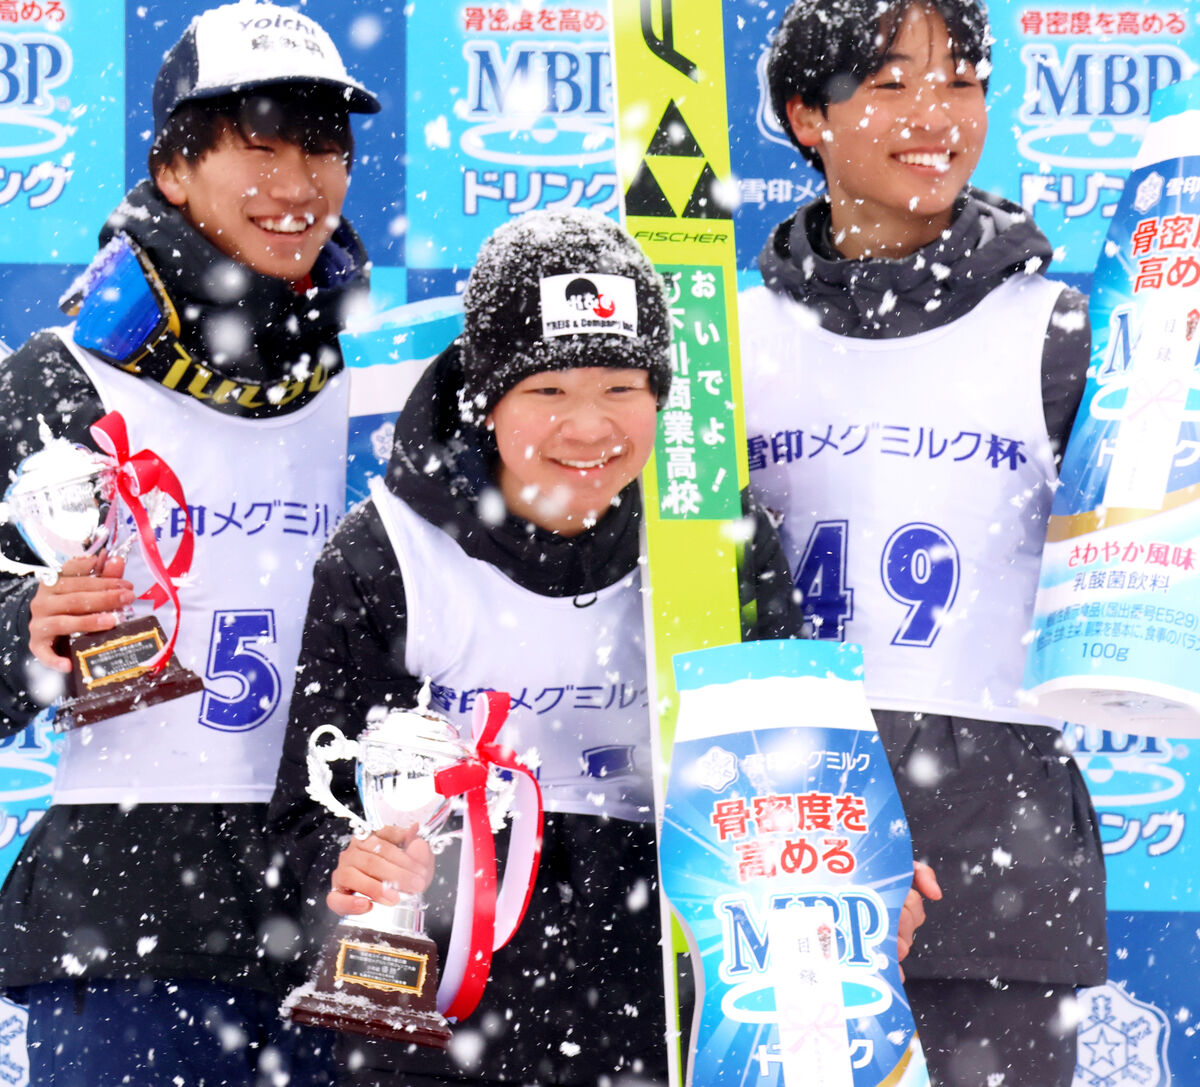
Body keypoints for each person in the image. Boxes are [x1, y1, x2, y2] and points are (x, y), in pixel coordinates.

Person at [267, 208, 803, 1086]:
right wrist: (350, 863)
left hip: (664, 1006)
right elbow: (314, 803)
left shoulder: (720, 538)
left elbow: (797, 761)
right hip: (442, 1004)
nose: (590, 428)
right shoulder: (388, 551)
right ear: (486, 395)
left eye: (623, 388)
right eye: (549, 391)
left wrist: (848, 878)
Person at [0, 3, 378, 1083]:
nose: (297, 181)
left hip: (343, 925)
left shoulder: (387, 384)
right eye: (257, 144)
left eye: (322, 146)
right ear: (174, 170)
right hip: (124, 925)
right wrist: (28, 630)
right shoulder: (61, 378)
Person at [738, 1, 1107, 1083]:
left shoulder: (1062, 332)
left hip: (1000, 877)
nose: (934, 115)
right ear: (808, 115)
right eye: (891, 84)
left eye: (962, 82)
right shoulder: (723, 342)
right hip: (781, 859)